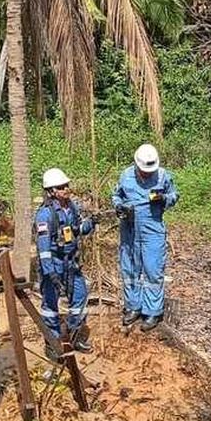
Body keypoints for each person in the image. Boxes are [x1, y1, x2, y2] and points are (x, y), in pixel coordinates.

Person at [112, 143, 179, 332]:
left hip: (152, 228)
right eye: (144, 171)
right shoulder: (125, 176)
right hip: (129, 229)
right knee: (130, 269)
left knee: (152, 270)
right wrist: (120, 206)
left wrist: (164, 199)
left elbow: (174, 195)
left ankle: (152, 311)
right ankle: (133, 306)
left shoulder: (164, 176)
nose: (147, 174)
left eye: (150, 171)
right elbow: (116, 196)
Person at [35, 168, 96, 358]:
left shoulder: (72, 207)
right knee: (50, 305)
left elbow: (77, 230)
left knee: (80, 296)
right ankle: (52, 342)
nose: (66, 189)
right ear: (51, 191)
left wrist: (92, 223)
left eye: (66, 186)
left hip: (71, 263)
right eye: (61, 187)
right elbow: (43, 248)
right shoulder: (45, 215)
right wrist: (50, 273)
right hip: (53, 263)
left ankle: (75, 334)